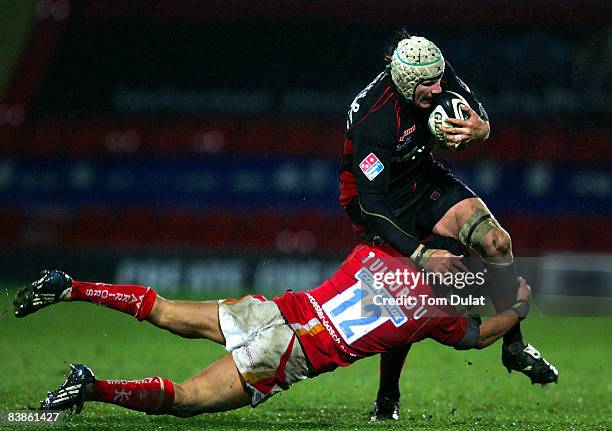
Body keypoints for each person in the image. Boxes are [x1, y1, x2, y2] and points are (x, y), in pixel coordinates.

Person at [14, 242, 533, 418]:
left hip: (269, 311)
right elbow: (480, 336)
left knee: (165, 310)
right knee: (190, 399)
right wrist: (520, 307)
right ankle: (91, 387)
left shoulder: (373, 255)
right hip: (287, 352)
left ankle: (70, 286)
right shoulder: (436, 314)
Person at [339, 31, 558, 420]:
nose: (439, 88)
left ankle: (514, 345)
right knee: (406, 299)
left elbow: (476, 112)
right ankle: (387, 398)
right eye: (429, 84)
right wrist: (422, 254)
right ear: (406, 82)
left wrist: (482, 130)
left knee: (496, 241)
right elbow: (371, 205)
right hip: (379, 200)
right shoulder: (374, 120)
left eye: (440, 78)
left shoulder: (433, 69)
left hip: (422, 179)